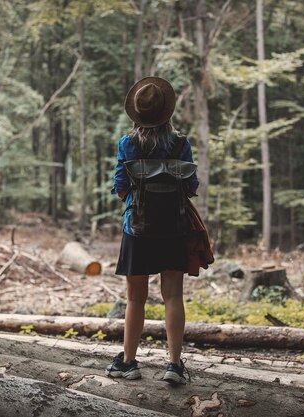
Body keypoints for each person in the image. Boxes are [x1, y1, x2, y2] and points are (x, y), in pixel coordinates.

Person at [105, 76, 199, 385]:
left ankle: (129, 362)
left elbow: (120, 188)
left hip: (138, 229)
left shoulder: (127, 144)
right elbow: (192, 186)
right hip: (175, 228)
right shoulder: (181, 144)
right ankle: (174, 365)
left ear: (138, 113)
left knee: (135, 299)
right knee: (173, 296)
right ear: (167, 111)